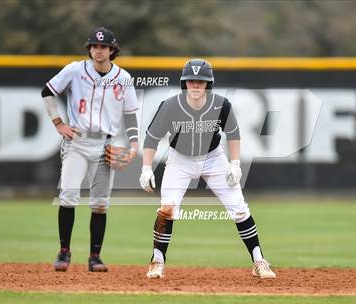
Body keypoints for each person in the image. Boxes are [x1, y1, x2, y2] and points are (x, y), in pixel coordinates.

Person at [139, 59, 276, 279]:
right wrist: (146, 168)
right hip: (179, 160)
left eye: (200, 81)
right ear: (184, 83)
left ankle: (259, 261)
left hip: (213, 158)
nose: (195, 85)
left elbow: (233, 134)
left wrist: (235, 163)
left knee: (239, 209)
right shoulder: (170, 105)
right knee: (167, 209)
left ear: (208, 84)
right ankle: (157, 261)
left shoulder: (221, 104)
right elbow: (152, 138)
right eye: (191, 81)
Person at [41, 27, 139, 272]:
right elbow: (47, 92)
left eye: (103, 46)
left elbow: (130, 113)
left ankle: (95, 257)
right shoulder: (75, 70)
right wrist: (58, 123)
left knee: (100, 203)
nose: (98, 50)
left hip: (105, 143)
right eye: (94, 46)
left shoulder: (123, 77)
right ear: (90, 49)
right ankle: (64, 252)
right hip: (77, 141)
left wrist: (134, 145)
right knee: (68, 196)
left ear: (112, 50)